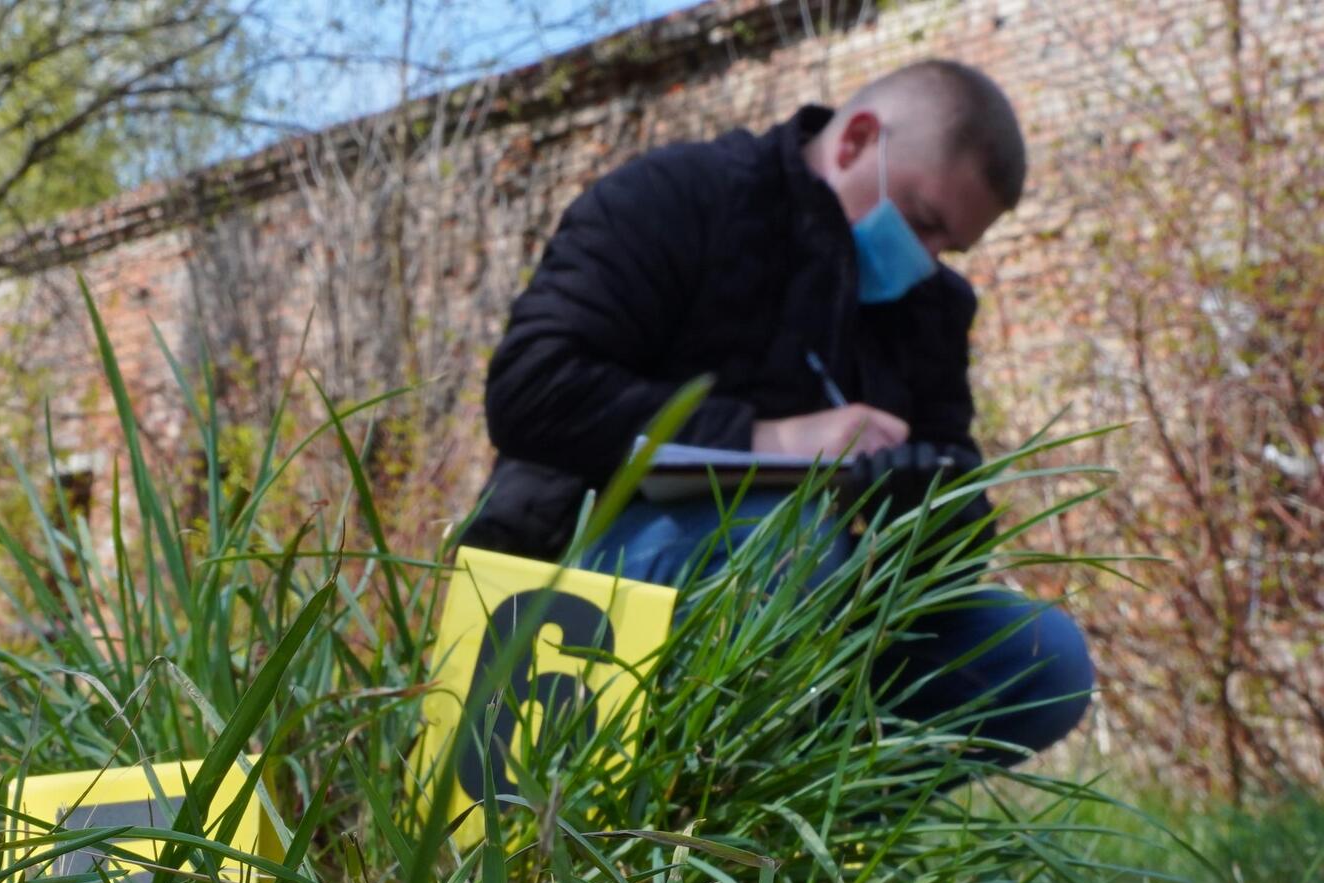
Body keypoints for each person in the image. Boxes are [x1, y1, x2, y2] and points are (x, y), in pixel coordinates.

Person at [459, 60, 1092, 766]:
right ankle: (619, 814)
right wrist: (775, 441)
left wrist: (929, 513)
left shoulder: (931, 312)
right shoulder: (676, 196)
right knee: (785, 538)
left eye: (951, 247)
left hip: (809, 611)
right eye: (921, 222)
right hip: (578, 573)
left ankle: (790, 848)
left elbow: (939, 546)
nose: (927, 258)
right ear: (854, 141)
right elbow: (529, 390)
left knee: (1045, 657)